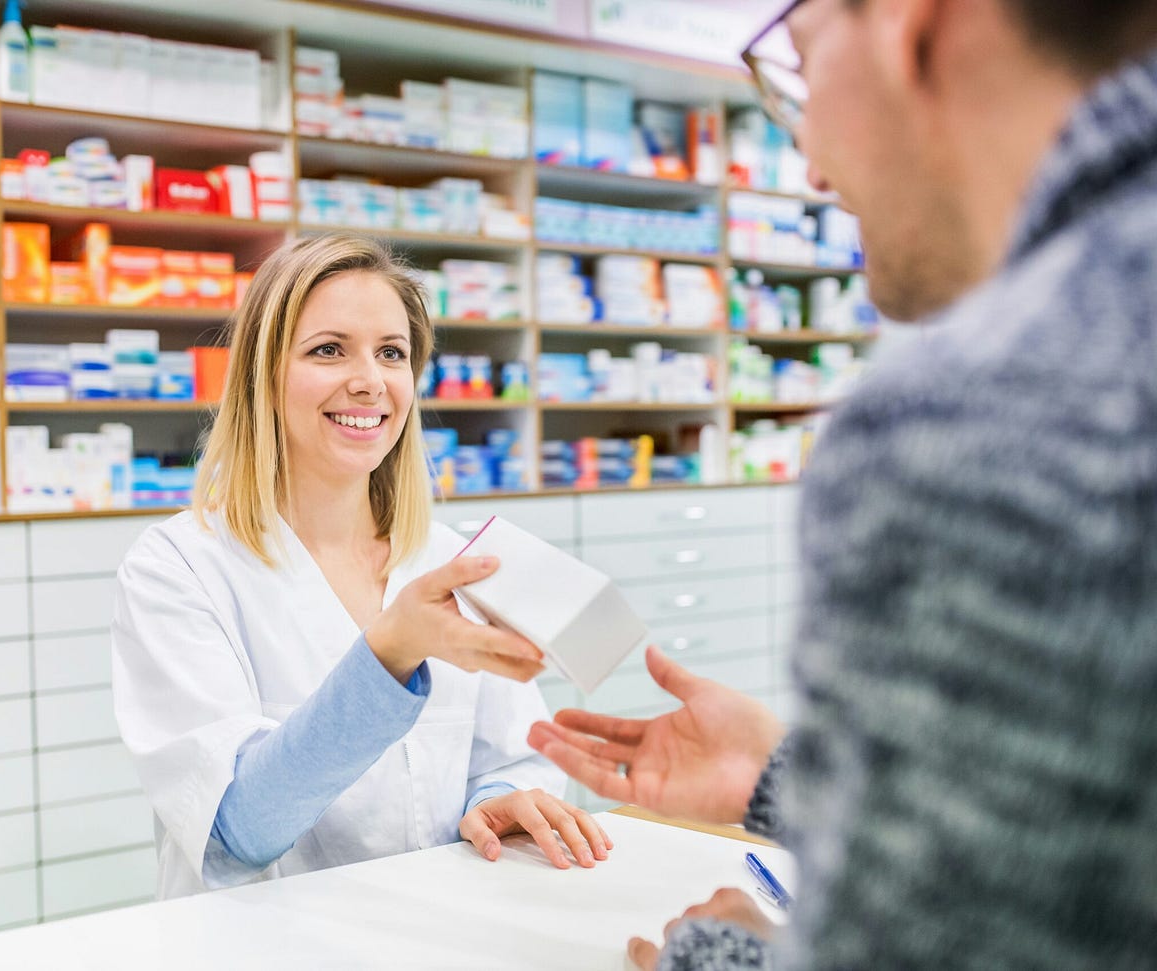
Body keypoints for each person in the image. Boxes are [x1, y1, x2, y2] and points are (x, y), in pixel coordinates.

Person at [529, 0, 1157, 968]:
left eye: (803, 64)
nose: (813, 165)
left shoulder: (983, 416)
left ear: (907, 22)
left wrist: (723, 955)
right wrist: (785, 780)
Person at [112, 233, 610, 898]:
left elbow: (514, 752)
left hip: (439, 935)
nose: (370, 381)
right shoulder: (179, 569)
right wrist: (388, 653)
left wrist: (501, 798)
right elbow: (238, 828)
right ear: (263, 374)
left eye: (392, 353)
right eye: (328, 349)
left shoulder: (452, 559)